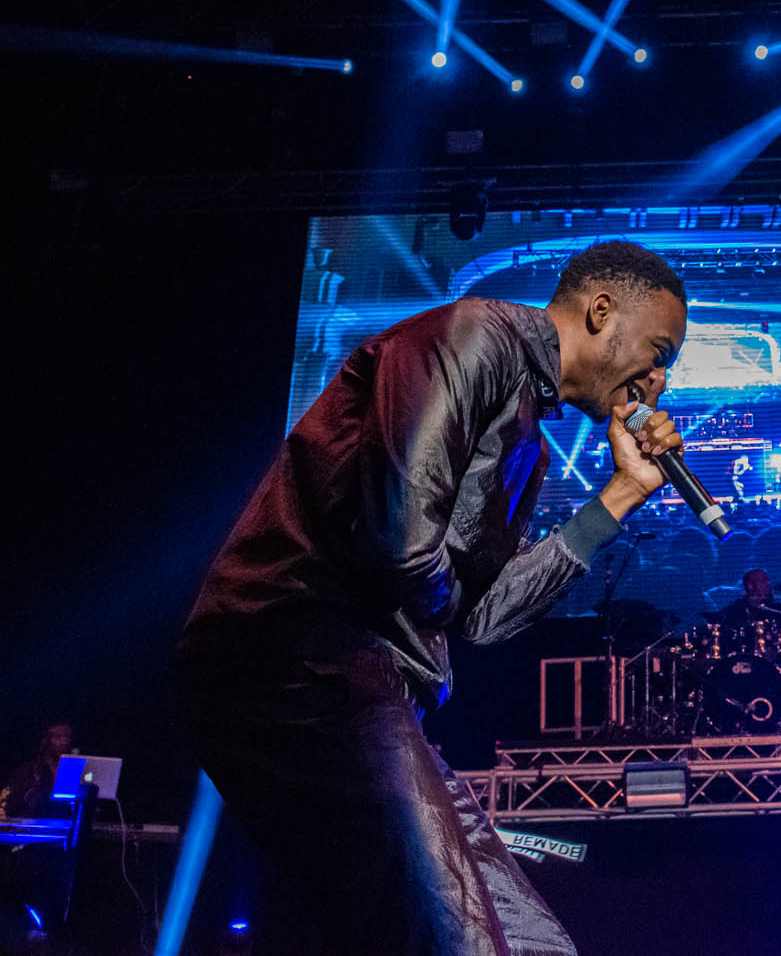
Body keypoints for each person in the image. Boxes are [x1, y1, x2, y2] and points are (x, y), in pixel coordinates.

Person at [175, 240, 691, 956]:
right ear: (602, 311)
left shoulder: (530, 444)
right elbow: (399, 544)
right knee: (458, 940)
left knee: (537, 946)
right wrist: (444, 600)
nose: (660, 379)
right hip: (296, 660)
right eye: (660, 349)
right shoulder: (473, 337)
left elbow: (482, 616)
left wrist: (622, 493)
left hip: (371, 688)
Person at [0, 718, 75, 820]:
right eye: (58, 737)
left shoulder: (75, 770)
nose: (64, 742)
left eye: (67, 737)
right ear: (46, 740)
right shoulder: (30, 771)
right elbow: (7, 804)